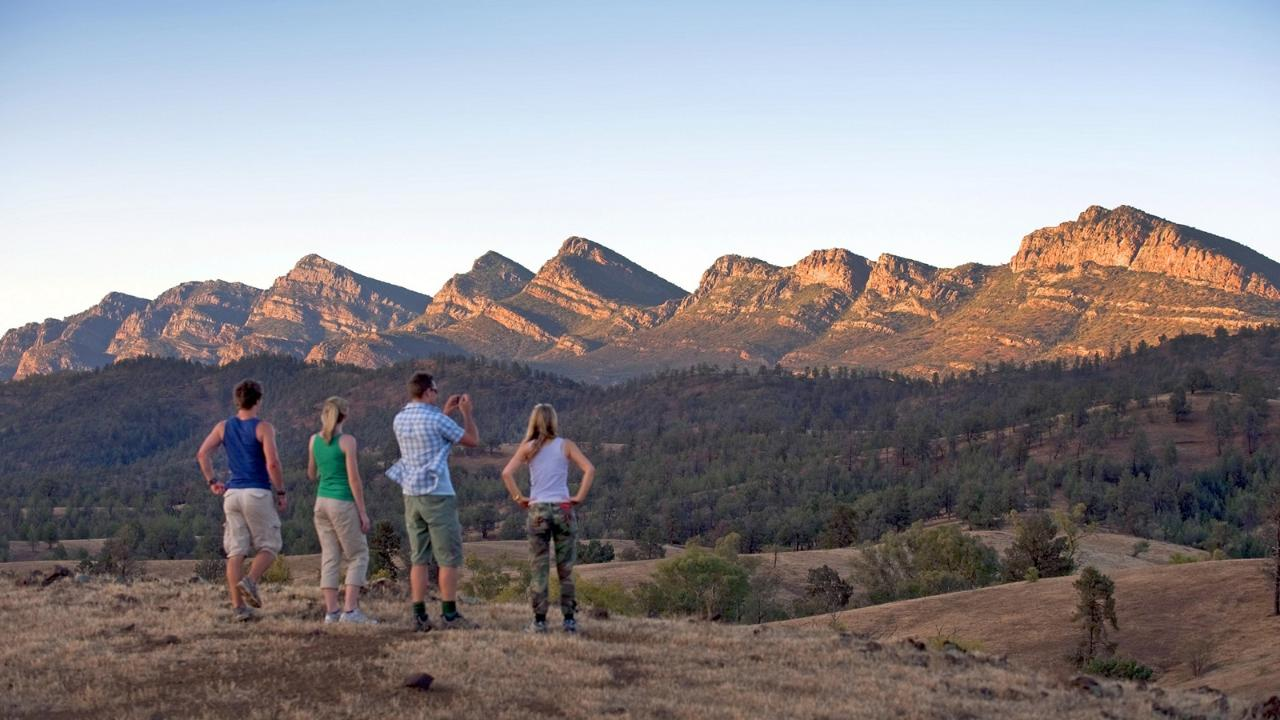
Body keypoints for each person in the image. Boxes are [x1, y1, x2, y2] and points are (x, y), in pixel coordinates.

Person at [386, 371, 479, 631]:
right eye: (435, 391)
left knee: (419, 558)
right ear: (428, 392)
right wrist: (467, 413)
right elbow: (472, 440)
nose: (437, 395)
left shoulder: (400, 419)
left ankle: (419, 614)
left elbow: (427, 438)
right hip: (438, 492)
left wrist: (445, 412)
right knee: (448, 557)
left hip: (411, 493)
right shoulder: (437, 419)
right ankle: (449, 614)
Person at [196, 379, 287, 622]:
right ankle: (251, 580)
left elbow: (202, 453)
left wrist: (212, 481)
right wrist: (280, 491)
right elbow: (272, 463)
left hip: (232, 494)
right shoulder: (263, 428)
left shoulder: (223, 427)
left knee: (235, 551)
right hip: (257, 492)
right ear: (258, 400)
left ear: (237, 401)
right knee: (270, 545)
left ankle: (238, 608)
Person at [501, 403, 595, 634]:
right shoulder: (565, 445)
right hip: (563, 508)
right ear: (553, 421)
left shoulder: (528, 448)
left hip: (538, 510)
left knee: (539, 568)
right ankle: (569, 620)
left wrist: (518, 497)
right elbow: (589, 469)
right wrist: (579, 497)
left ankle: (540, 621)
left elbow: (506, 473)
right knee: (566, 568)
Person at [308, 396, 375, 624]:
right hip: (342, 502)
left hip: (321, 503)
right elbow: (354, 480)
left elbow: (311, 474)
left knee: (330, 555)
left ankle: (332, 612)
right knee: (358, 554)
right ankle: (350, 611)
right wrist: (363, 512)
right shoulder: (347, 442)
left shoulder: (314, 440)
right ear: (344, 415)